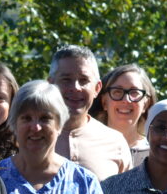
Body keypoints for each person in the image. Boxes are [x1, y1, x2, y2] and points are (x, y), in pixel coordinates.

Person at [47, 45, 131, 180]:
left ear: (97, 88)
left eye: (83, 80)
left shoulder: (115, 142)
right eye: (66, 79)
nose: (75, 88)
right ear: (50, 84)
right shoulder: (32, 136)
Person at [89, 64, 157, 167]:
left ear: (145, 104)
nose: (126, 100)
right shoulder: (86, 146)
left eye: (134, 92)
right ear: (104, 102)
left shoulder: (158, 155)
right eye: (117, 91)